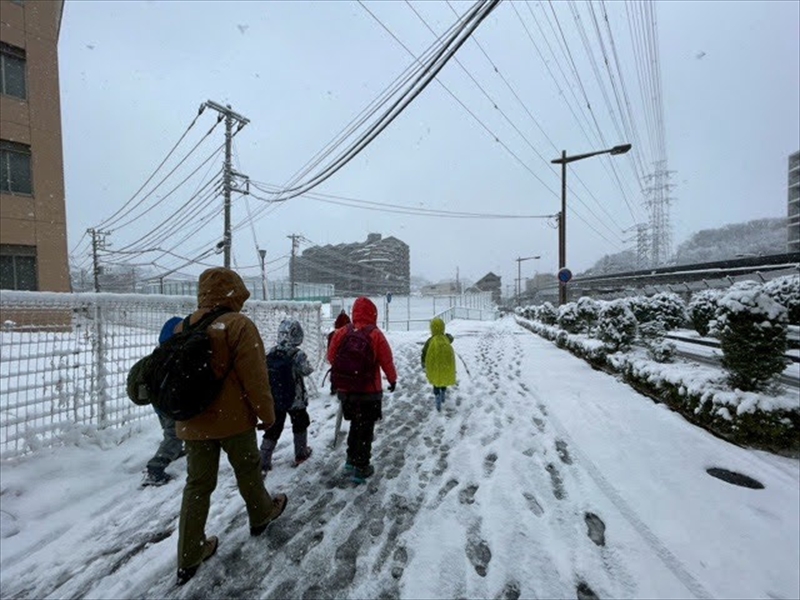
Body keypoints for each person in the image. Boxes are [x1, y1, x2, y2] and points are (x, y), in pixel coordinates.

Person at [174, 267, 288, 586]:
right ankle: (261, 514)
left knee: (197, 485)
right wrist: (267, 415)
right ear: (232, 292)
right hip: (232, 420)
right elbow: (255, 378)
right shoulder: (238, 325)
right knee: (248, 469)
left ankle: (189, 554)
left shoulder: (184, 325)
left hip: (192, 420)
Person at [327, 296, 397, 484]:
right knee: (365, 429)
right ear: (373, 313)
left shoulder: (343, 331)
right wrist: (392, 379)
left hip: (347, 391)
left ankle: (350, 461)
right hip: (369, 392)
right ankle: (362, 467)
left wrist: (348, 374)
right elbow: (386, 360)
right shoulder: (375, 334)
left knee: (354, 426)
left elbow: (331, 356)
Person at [259, 319, 315, 473]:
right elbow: (307, 370)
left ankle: (263, 460)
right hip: (295, 400)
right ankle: (301, 453)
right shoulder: (297, 354)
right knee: (300, 424)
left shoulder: (271, 352)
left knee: (273, 428)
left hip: (277, 398)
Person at [141, 316, 185, 487]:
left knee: (171, 431)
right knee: (173, 435)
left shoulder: (158, 354)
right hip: (171, 405)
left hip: (159, 404)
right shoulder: (175, 356)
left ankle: (174, 451)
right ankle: (155, 469)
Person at [420, 318, 456, 412]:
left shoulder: (430, 340)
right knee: (443, 379)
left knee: (436, 381)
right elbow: (452, 338)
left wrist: (423, 363)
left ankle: (437, 398)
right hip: (445, 364)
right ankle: (443, 393)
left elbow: (424, 352)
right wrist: (445, 334)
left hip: (434, 366)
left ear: (432, 328)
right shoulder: (446, 338)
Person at [326, 310, 351, 394]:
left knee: (336, 372)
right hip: (349, 364)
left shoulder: (332, 335)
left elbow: (330, 351)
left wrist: (333, 361)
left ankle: (334, 387)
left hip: (337, 362)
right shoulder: (352, 334)